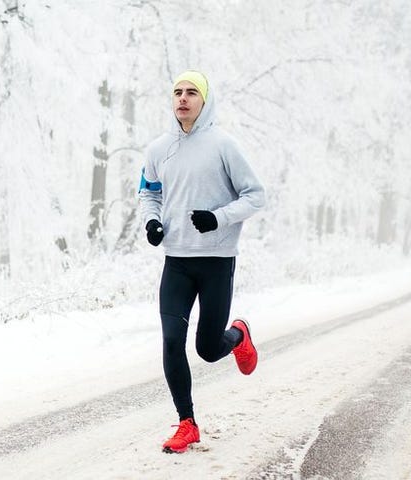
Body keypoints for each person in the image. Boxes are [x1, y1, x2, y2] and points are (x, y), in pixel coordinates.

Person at [138, 70, 266, 454]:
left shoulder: (224, 145)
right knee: (172, 342)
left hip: (216, 260)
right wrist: (152, 222)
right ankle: (187, 423)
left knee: (208, 349)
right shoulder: (159, 149)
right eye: (177, 92)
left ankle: (239, 335)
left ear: (205, 100)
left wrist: (218, 218)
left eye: (191, 92)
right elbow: (149, 195)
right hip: (176, 261)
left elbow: (255, 195)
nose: (183, 98)